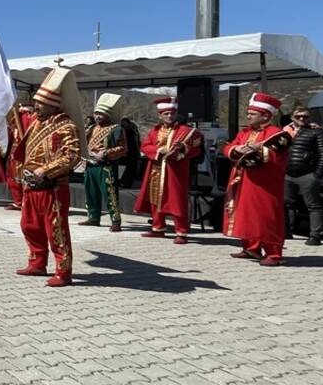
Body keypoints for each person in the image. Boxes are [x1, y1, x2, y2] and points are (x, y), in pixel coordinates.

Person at [16, 68, 83, 287]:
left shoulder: (66, 126)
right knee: (29, 225)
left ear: (54, 105)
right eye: (36, 102)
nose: (37, 106)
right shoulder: (35, 123)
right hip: (31, 187)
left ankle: (63, 272)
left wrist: (46, 169)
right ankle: (37, 263)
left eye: (41, 103)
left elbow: (72, 156)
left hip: (52, 187)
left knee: (56, 231)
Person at [223, 91, 290, 266]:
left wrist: (257, 151)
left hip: (265, 182)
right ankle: (251, 248)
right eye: (248, 113)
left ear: (265, 116)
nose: (248, 116)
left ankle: (274, 254)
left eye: (252, 114)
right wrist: (238, 149)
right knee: (245, 213)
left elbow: (277, 156)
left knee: (267, 215)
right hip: (243, 179)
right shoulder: (244, 132)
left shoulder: (276, 133)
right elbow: (229, 147)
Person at [134, 96, 203, 243]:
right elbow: (145, 146)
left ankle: (181, 232)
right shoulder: (154, 131)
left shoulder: (185, 130)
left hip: (175, 172)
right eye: (166, 114)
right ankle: (158, 228)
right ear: (160, 115)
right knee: (155, 197)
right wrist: (160, 150)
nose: (170, 116)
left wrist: (183, 149)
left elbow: (196, 149)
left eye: (172, 113)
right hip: (156, 170)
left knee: (177, 199)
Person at [284, 106, 323, 245]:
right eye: (298, 116)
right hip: (287, 174)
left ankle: (315, 235)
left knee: (313, 205)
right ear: (292, 117)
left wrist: (317, 175)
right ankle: (287, 232)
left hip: (308, 174)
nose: (302, 119)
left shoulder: (317, 132)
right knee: (286, 204)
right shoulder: (285, 131)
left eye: (305, 116)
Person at [80, 93, 127, 232]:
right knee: (91, 192)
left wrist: (105, 153)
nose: (98, 116)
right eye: (96, 113)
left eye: (101, 114)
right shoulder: (91, 128)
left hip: (106, 166)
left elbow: (123, 148)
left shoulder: (116, 129)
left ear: (107, 115)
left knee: (110, 194)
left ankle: (116, 220)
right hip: (90, 165)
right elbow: (84, 144)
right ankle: (93, 217)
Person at [4, 101, 34, 210]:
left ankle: (26, 202)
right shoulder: (16, 119)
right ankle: (17, 201)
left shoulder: (28, 118)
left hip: (25, 151)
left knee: (24, 179)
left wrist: (22, 114)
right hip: (14, 152)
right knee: (13, 178)